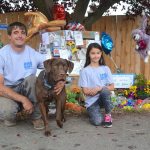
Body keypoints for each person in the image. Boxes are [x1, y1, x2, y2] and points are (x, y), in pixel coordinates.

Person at [0, 22, 65, 129]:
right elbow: (0, 88)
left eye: (22, 32)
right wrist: (23, 100)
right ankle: (16, 108)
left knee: (32, 79)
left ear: (26, 36)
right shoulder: (2, 54)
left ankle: (36, 117)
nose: (20, 35)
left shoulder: (32, 53)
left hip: (27, 88)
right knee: (8, 113)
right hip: (8, 90)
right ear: (9, 36)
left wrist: (62, 80)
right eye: (15, 32)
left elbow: (55, 64)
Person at [79, 43, 114, 127]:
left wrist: (98, 89)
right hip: (92, 102)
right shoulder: (85, 71)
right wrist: (93, 91)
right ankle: (92, 112)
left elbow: (112, 87)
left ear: (101, 54)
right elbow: (85, 91)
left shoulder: (105, 69)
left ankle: (108, 115)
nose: (96, 56)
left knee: (105, 90)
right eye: (93, 53)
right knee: (97, 122)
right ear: (88, 55)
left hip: (103, 98)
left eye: (98, 53)